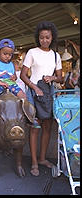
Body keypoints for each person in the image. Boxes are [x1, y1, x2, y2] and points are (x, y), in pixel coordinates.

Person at [20, 21, 63, 176]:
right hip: (34, 92)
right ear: (38, 38)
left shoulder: (56, 55)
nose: (44, 40)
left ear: (52, 38)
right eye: (42, 37)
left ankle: (43, 158)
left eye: (47, 37)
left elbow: (60, 78)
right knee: (34, 128)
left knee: (47, 127)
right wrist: (35, 87)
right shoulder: (32, 52)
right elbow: (23, 75)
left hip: (48, 93)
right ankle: (33, 162)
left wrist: (52, 77)